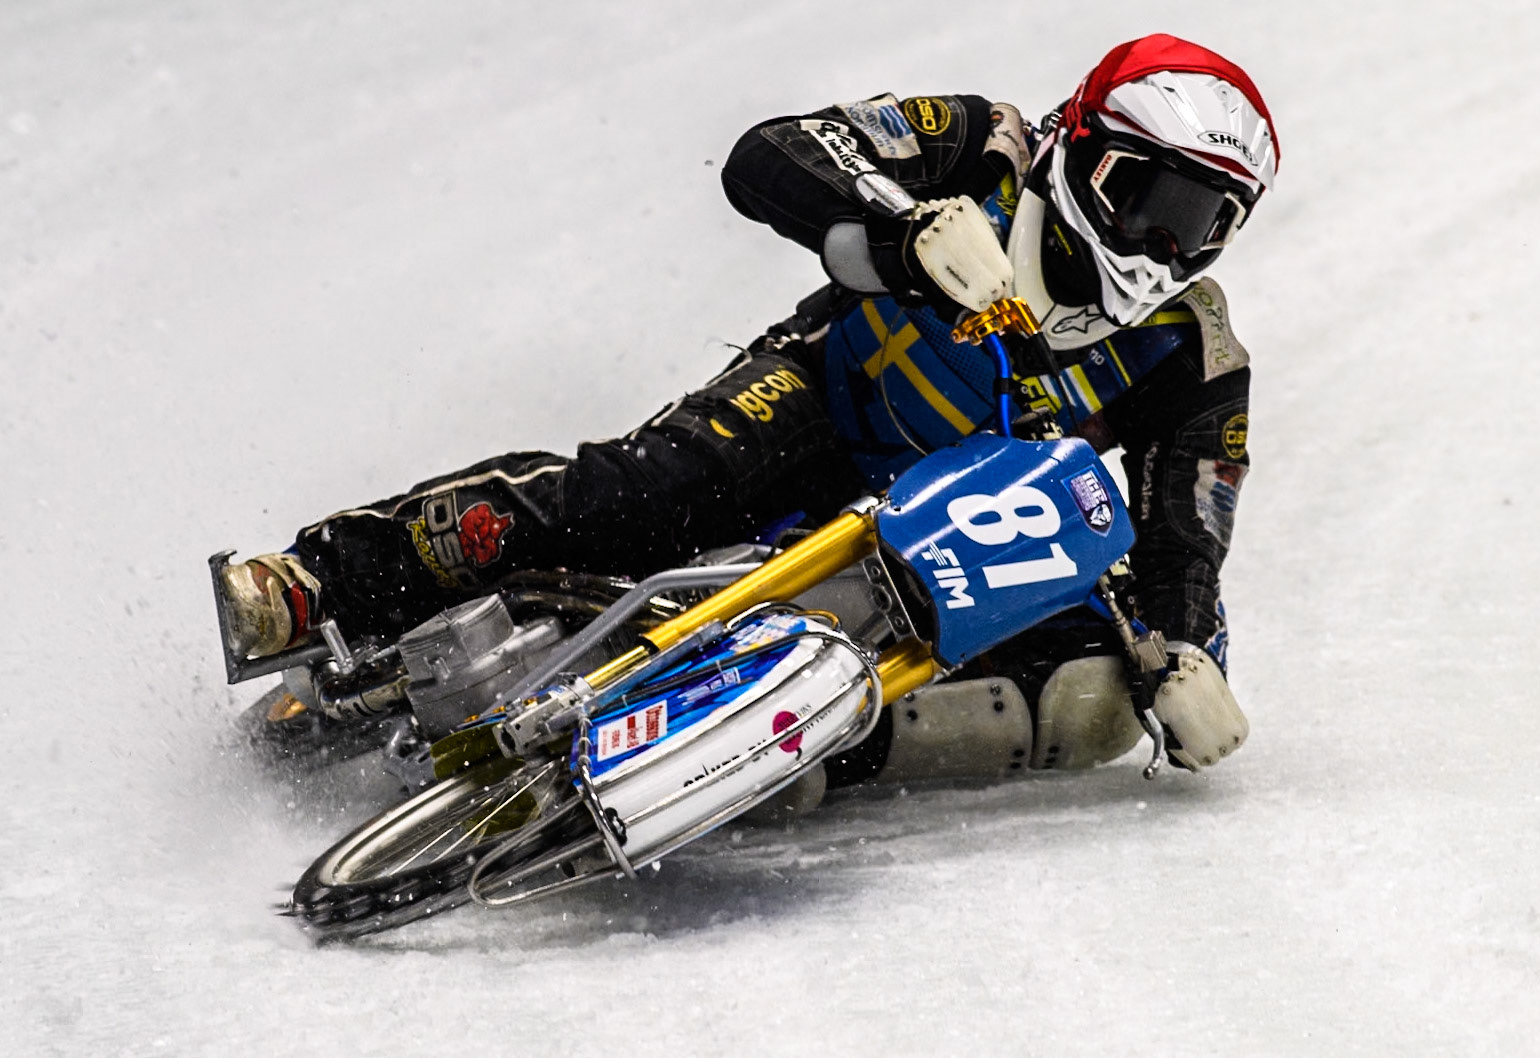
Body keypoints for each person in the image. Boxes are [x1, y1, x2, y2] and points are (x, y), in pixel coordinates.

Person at [220, 34, 1275, 785]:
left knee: (1086, 704)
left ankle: (777, 759)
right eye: (1149, 200)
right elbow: (770, 152)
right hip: (821, 398)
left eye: (1202, 225)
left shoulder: (1199, 353)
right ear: (1084, 147)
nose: (1160, 250)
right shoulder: (982, 142)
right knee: (643, 493)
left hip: (961, 533)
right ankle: (323, 579)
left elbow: (1188, 537)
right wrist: (902, 229)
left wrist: (1183, 655)